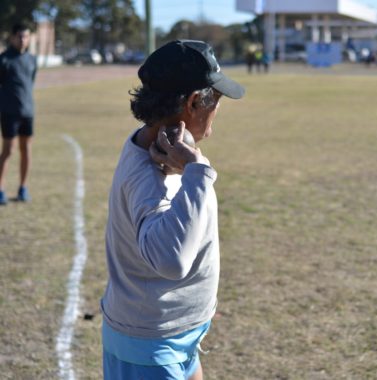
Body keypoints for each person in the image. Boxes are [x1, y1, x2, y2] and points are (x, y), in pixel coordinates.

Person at [100, 40, 245, 380]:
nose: (218, 109)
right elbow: (170, 259)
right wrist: (197, 171)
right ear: (195, 102)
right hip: (149, 346)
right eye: (217, 99)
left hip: (179, 335)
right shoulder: (149, 177)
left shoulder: (164, 149)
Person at [0, 23, 37, 205]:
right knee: (8, 151)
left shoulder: (32, 59)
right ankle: (0, 188)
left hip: (28, 112)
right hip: (9, 112)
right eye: (20, 36)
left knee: (26, 151)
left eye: (26, 36)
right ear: (13, 37)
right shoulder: (4, 59)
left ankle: (23, 188)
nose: (23, 40)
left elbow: (30, 82)